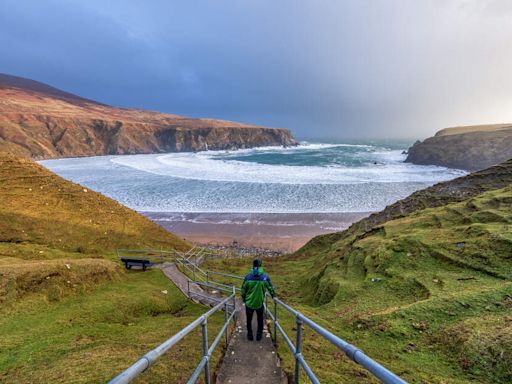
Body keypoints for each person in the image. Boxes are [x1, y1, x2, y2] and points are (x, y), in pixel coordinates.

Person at [241, 258, 276, 341]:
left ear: (253, 266)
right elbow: (270, 288)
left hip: (249, 303)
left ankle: (250, 335)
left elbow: (243, 290)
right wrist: (274, 296)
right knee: (260, 320)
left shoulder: (248, 277)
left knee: (249, 320)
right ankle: (259, 336)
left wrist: (244, 299)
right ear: (261, 265)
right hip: (259, 303)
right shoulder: (264, 277)